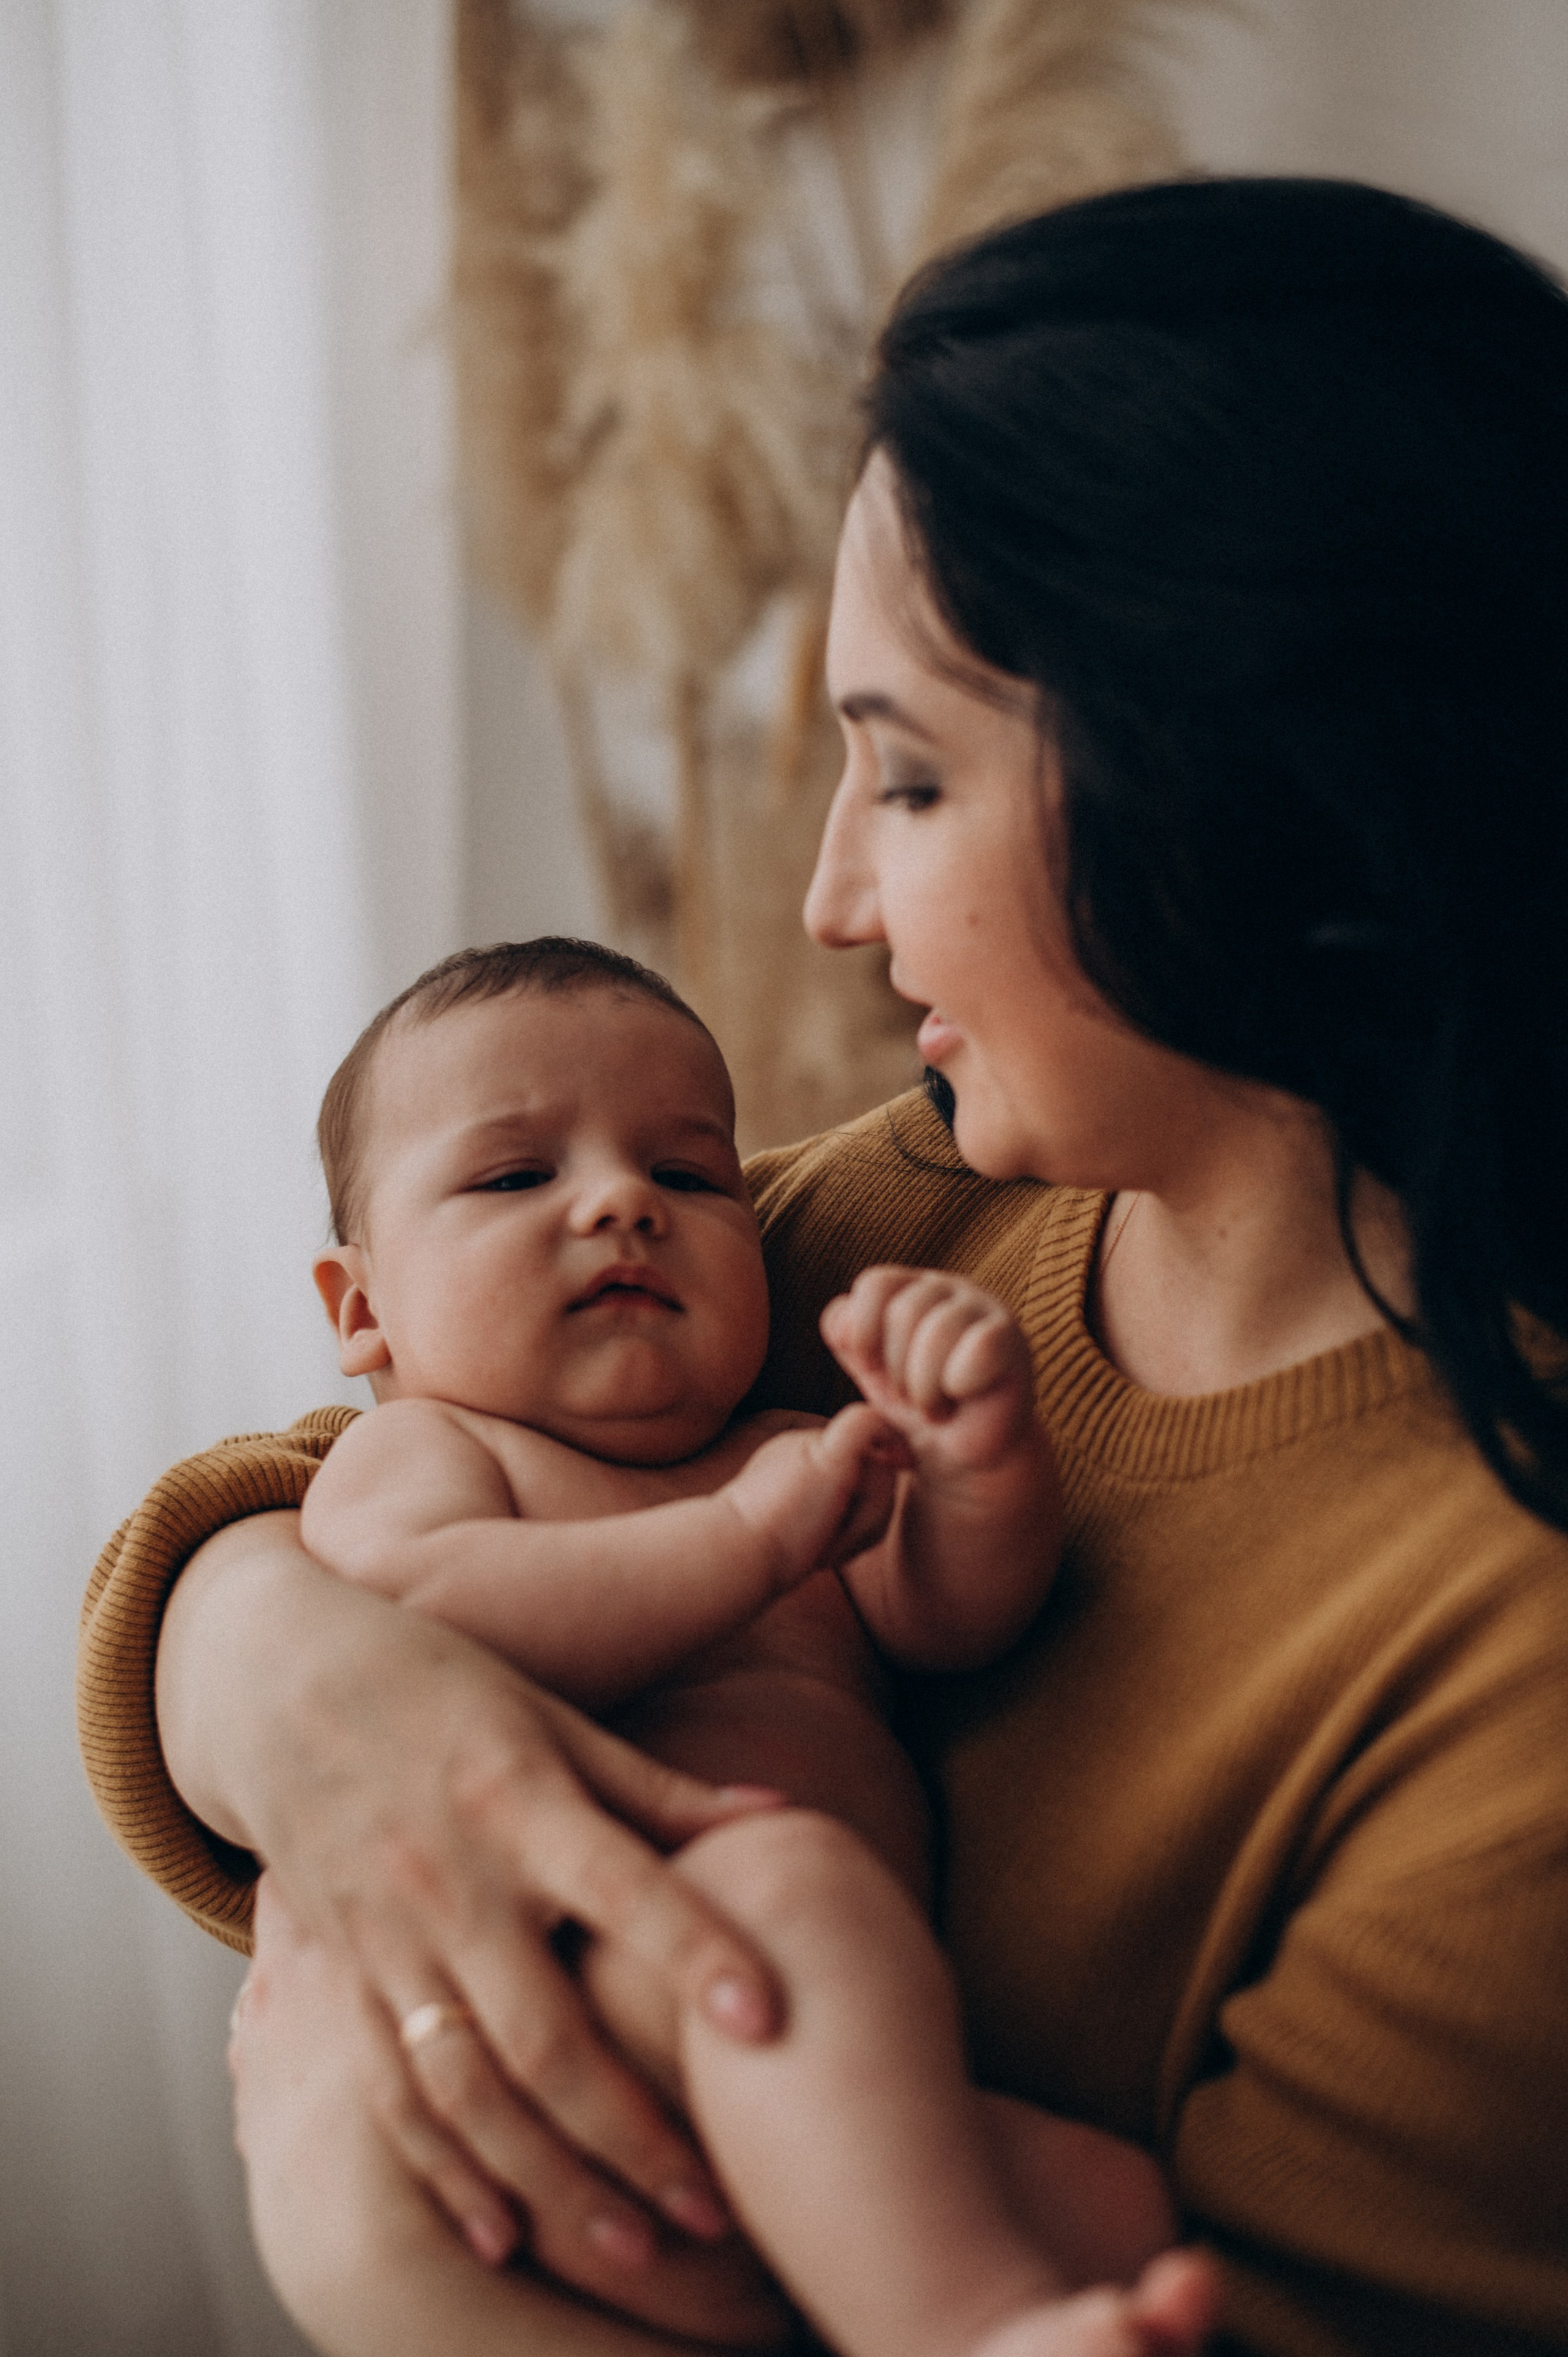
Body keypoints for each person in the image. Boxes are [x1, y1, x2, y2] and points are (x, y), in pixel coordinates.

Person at [79, 176, 1568, 2357]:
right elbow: (316, 1492)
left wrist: (375, 2260)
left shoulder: (1506, 1664)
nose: (831, 901)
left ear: (1260, 796)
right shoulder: (908, 1207)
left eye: (912, 777)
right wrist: (296, 1690)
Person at [286, 930, 1212, 2357]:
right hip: (582, 1987)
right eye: (516, 1176)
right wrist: (737, 1543)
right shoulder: (429, 1455)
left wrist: (977, 1469)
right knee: (781, 1876)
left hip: (812, 2071)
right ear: (361, 1309)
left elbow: (946, 1621)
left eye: (688, 1174)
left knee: (1118, 2207)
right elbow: (412, 1617)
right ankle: (967, 2329)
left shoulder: (782, 1450)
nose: (621, 1203)